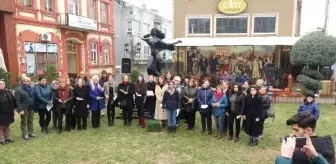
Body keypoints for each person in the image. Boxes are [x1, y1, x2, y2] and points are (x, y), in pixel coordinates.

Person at [0, 79, 16, 145]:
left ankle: (7, 137)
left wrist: (15, 108)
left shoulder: (7, 91)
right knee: (1, 126)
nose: (2, 85)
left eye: (3, 84)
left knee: (7, 125)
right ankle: (1, 139)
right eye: (0, 84)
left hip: (9, 112)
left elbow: (13, 99)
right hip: (1, 113)